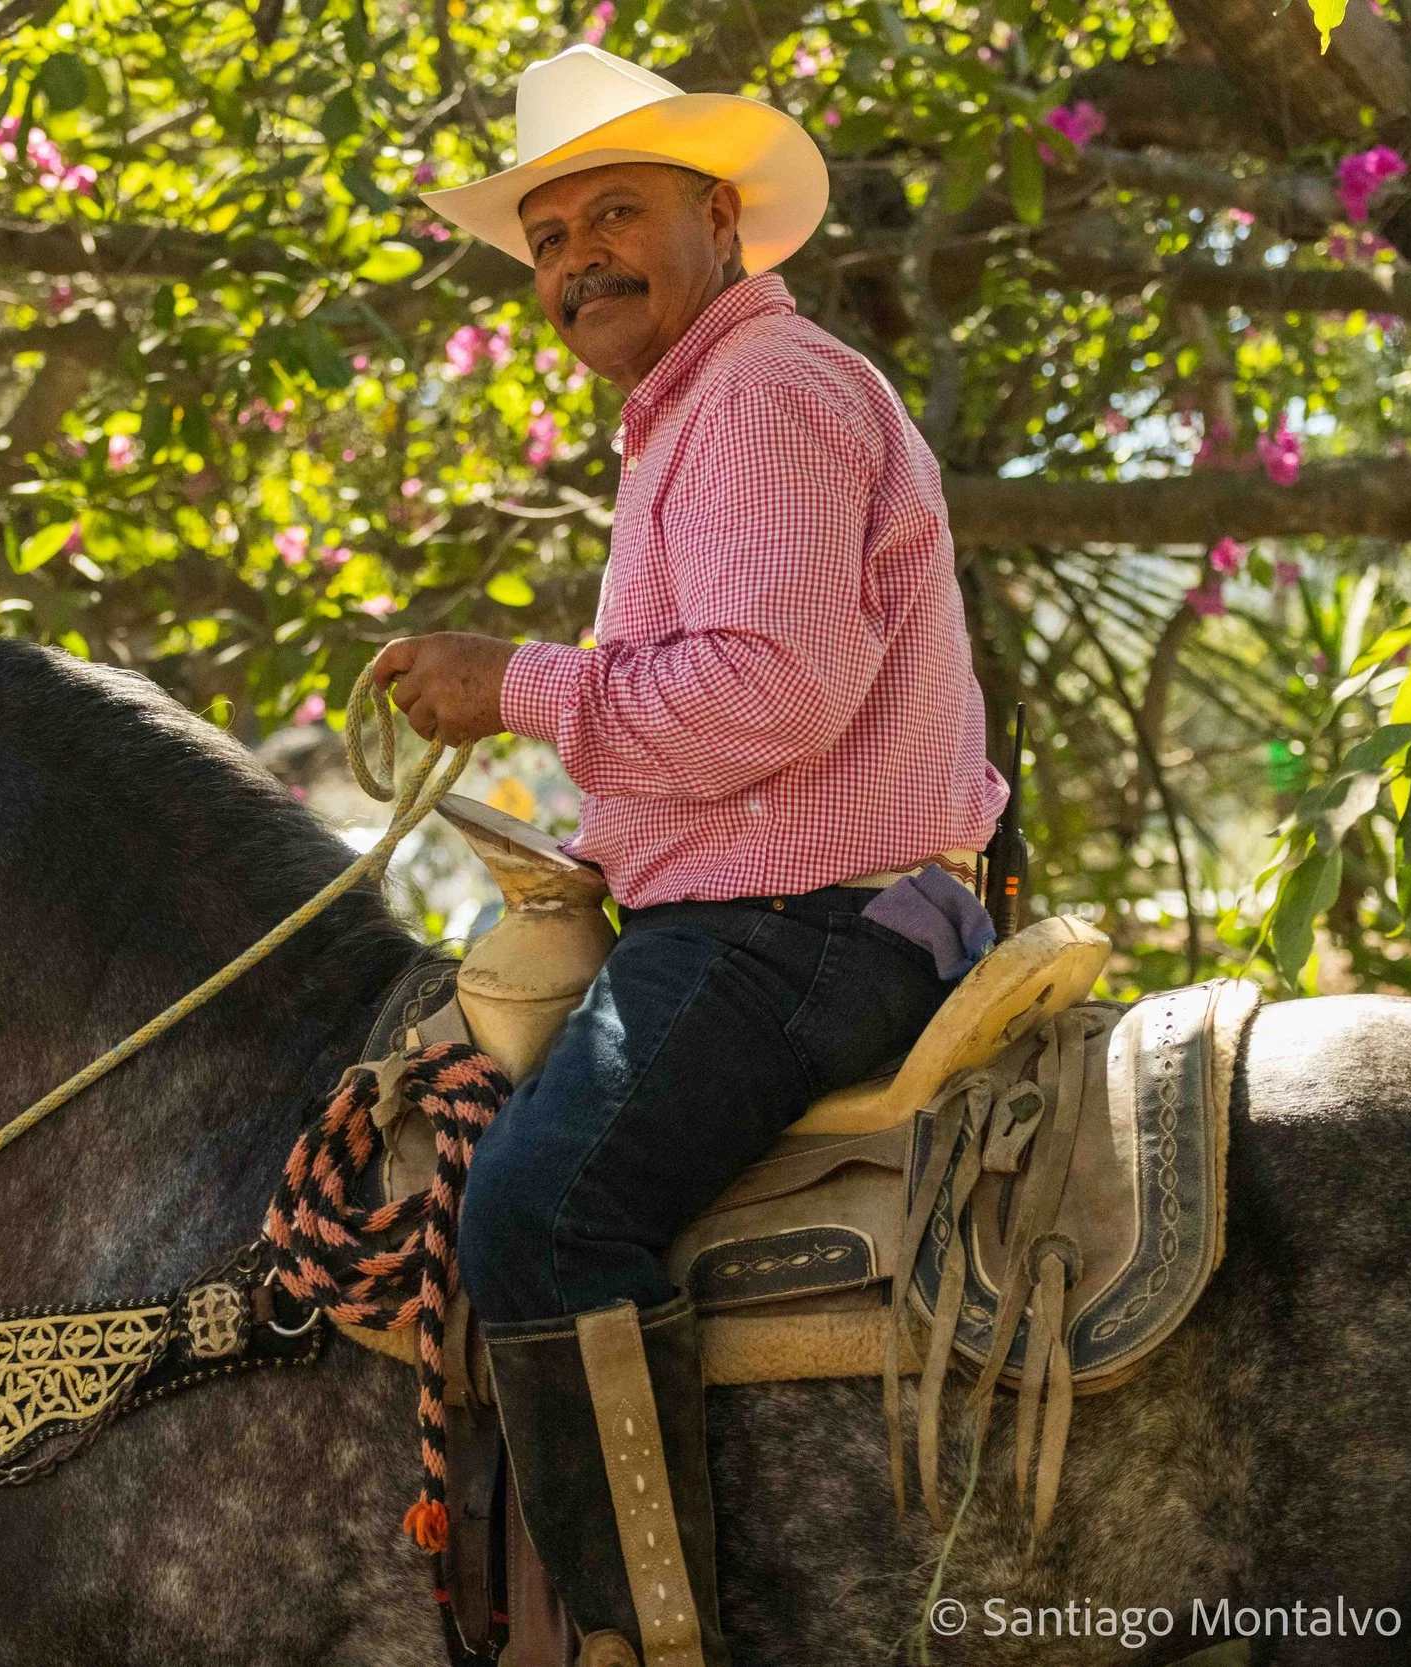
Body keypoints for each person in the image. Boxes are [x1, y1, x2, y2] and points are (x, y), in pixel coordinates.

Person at [371, 43, 1008, 1667]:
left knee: (536, 1209)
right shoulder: (702, 413)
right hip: (781, 911)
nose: (578, 256)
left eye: (617, 213)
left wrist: (513, 682)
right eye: (551, 236)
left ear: (723, 220)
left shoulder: (764, 396)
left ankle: (640, 1640)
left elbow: (771, 694)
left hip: (796, 929)